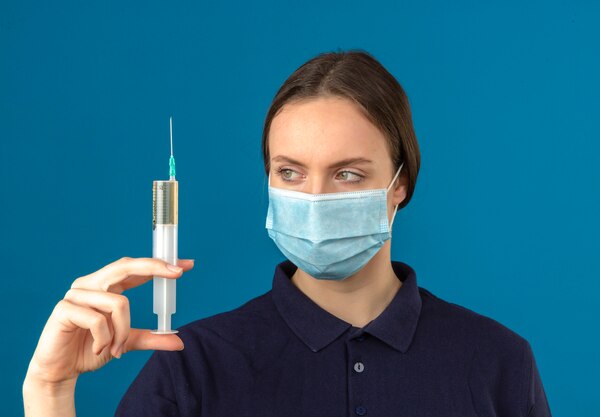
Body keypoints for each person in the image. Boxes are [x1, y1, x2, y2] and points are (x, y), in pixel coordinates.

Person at [23, 50, 551, 417]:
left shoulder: (496, 362)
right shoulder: (194, 366)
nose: (314, 199)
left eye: (348, 173)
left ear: (400, 185)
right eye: (290, 173)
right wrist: (50, 389)